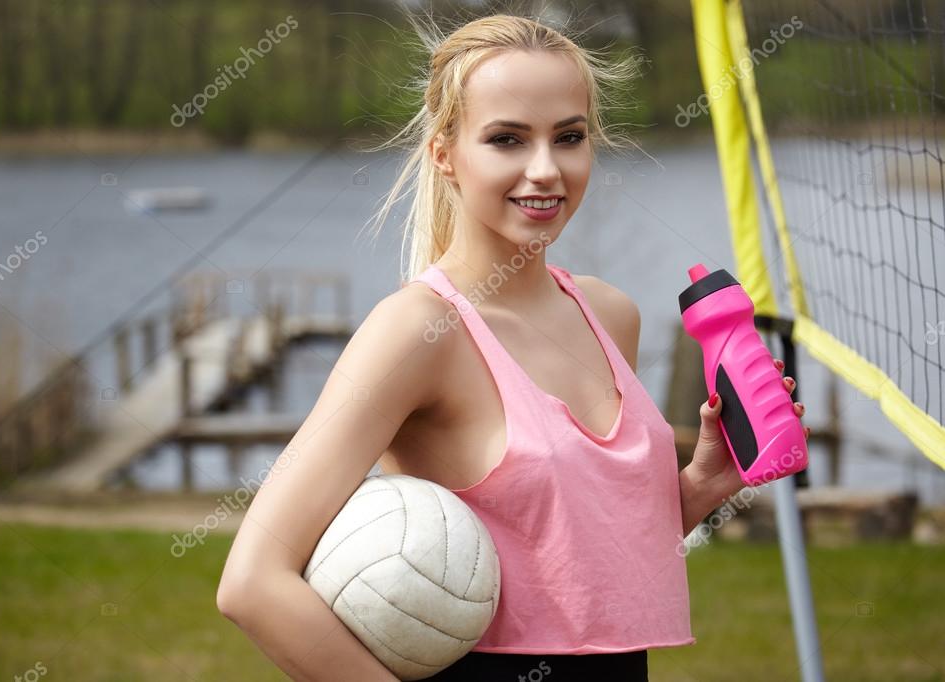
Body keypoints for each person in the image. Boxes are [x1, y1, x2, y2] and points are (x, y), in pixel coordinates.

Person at [216, 12, 809, 681]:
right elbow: (253, 583)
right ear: (445, 152)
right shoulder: (418, 330)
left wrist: (701, 486)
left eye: (568, 138)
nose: (544, 170)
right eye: (505, 139)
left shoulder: (609, 314)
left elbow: (574, 572)